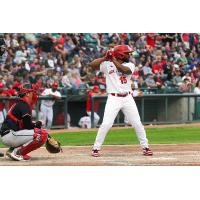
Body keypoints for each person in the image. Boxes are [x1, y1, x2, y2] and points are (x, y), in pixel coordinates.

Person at [88, 45, 153, 157]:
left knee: (137, 123)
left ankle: (145, 147)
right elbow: (91, 65)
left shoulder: (130, 65)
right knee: (106, 124)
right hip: (114, 98)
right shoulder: (107, 64)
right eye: (127, 53)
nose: (129, 55)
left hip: (128, 98)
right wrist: (105, 58)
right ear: (121, 55)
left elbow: (125, 71)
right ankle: (96, 148)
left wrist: (112, 59)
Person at [0, 83, 48, 161]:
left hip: (8, 134)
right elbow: (28, 126)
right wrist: (38, 124)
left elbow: (26, 125)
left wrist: (36, 125)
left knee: (40, 132)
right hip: (10, 135)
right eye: (33, 92)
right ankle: (17, 153)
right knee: (42, 134)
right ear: (27, 94)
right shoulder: (24, 105)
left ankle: (12, 150)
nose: (34, 94)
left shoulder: (21, 104)